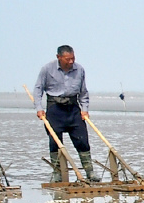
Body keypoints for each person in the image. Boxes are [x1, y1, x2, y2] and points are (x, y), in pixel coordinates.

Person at [33, 45, 98, 182]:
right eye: (67, 59)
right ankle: (57, 173)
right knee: (55, 142)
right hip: (55, 109)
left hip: (73, 108)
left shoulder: (79, 69)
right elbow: (38, 90)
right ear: (59, 57)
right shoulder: (47, 69)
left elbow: (83, 92)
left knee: (83, 141)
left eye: (73, 58)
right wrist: (39, 108)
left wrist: (84, 109)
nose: (70, 62)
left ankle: (90, 172)